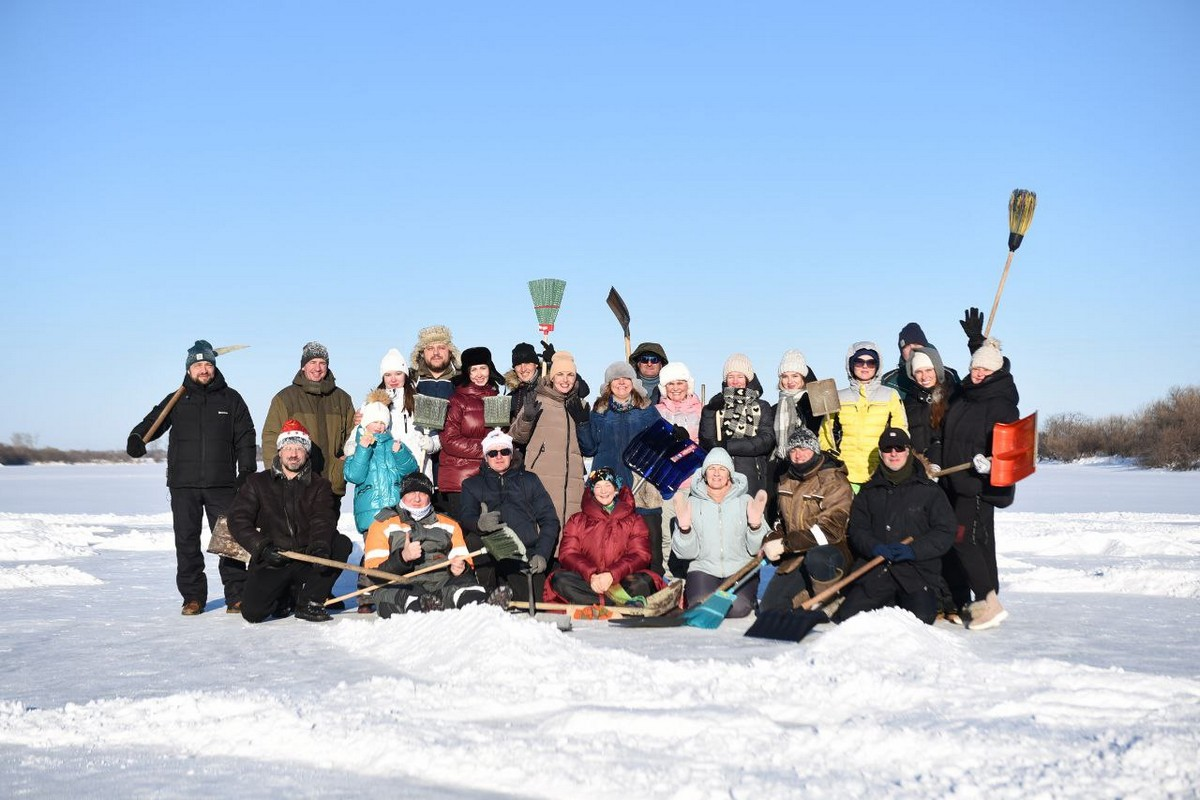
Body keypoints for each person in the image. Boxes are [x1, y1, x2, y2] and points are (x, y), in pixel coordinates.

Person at [126, 340, 258, 615]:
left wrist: (246, 471)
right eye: (198, 365)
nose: (204, 369)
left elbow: (246, 437)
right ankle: (193, 597)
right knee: (186, 541)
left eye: (208, 364)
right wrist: (137, 437)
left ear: (214, 367)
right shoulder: (177, 399)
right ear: (188, 370)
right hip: (183, 484)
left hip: (222, 484)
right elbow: (153, 421)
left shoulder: (231, 399)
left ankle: (236, 595)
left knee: (229, 540)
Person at [227, 419, 354, 623]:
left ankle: (310, 601)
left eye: (299, 448)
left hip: (306, 557)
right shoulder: (257, 482)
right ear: (280, 451)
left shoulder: (320, 485)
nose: (293, 454)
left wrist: (319, 547)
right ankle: (287, 594)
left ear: (307, 453)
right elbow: (238, 520)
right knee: (253, 613)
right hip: (273, 558)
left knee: (341, 543)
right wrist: (262, 548)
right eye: (288, 448)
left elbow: (323, 520)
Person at [831, 427, 956, 626]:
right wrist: (874, 547)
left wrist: (913, 550)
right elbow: (857, 530)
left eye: (899, 448)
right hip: (878, 569)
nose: (893, 454)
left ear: (908, 451)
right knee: (848, 618)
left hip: (916, 572)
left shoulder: (930, 491)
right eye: (888, 449)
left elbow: (945, 531)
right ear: (881, 454)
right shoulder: (869, 491)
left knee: (920, 620)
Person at [941, 331, 1020, 630]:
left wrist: (991, 465)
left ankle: (990, 602)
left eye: (985, 369)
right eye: (975, 367)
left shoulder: (1002, 403)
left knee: (962, 539)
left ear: (996, 371)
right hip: (956, 481)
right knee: (981, 541)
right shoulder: (966, 396)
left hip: (976, 485)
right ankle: (988, 598)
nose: (978, 373)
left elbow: (1012, 448)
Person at [578, 361, 665, 570]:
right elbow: (589, 448)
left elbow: (661, 442)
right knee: (611, 539)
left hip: (640, 482)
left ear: (633, 382)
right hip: (608, 482)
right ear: (608, 384)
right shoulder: (599, 411)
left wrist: (673, 435)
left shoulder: (646, 409)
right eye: (616, 379)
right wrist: (583, 424)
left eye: (626, 378)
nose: (621, 383)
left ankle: (652, 577)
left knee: (648, 536)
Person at [362, 472, 487, 616]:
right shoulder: (382, 524)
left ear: (430, 496)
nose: (417, 498)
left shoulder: (449, 524)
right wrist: (402, 557)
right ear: (402, 495)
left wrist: (460, 568)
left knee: (466, 584)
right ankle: (420, 608)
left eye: (422, 493)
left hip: (441, 584)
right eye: (411, 493)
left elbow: (465, 562)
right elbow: (374, 573)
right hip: (400, 585)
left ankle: (480, 603)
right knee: (402, 596)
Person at [759, 428, 854, 614]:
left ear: (815, 450)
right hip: (798, 553)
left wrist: (785, 544)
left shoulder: (834, 481)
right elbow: (782, 521)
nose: (798, 455)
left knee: (817, 557)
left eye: (804, 449)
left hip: (832, 553)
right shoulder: (786, 480)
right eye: (793, 450)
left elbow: (830, 531)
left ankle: (830, 600)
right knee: (769, 608)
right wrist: (772, 538)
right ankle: (808, 599)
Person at [342, 390, 420, 614]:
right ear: (365, 423)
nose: (378, 426)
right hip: (370, 510)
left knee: (396, 550)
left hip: (394, 509)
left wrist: (400, 452)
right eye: (373, 422)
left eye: (381, 422)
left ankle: (395, 592)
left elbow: (411, 470)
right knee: (373, 552)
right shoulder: (357, 446)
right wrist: (363, 449)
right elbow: (353, 475)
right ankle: (365, 595)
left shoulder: (393, 443)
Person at [459, 429, 561, 599]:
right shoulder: (472, 485)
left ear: (511, 454)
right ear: (486, 457)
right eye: (493, 453)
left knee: (534, 600)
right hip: (490, 552)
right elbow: (465, 517)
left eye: (504, 451)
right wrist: (479, 523)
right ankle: (486, 594)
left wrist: (542, 553)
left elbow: (549, 520)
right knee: (473, 539)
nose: (499, 457)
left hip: (523, 553)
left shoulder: (529, 480)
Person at [671, 448, 769, 618]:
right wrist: (685, 529)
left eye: (722, 469)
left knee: (737, 608)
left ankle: (747, 596)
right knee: (702, 607)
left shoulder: (746, 501)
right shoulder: (691, 504)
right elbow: (686, 554)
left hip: (740, 568)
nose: (717, 473)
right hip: (703, 568)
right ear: (704, 474)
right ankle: (695, 593)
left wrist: (755, 526)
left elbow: (756, 550)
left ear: (730, 474)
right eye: (712, 469)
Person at [544, 467, 665, 605]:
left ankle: (599, 602)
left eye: (608, 485)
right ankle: (615, 603)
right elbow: (568, 553)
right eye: (598, 486)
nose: (603, 491)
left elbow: (641, 554)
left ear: (616, 489)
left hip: (621, 581)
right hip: (588, 582)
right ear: (592, 490)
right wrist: (591, 575)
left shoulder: (634, 520)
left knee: (645, 581)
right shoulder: (577, 520)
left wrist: (612, 575)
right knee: (559, 579)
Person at [261, 341, 356, 509]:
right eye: (312, 362)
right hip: (295, 484)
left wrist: (346, 458)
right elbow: (270, 437)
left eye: (322, 363)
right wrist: (276, 474)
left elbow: (353, 434)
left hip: (331, 484)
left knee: (327, 525)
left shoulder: (342, 399)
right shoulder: (285, 398)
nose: (317, 368)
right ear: (303, 366)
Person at [506, 350, 590, 532]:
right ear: (552, 377)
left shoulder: (580, 405)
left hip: (572, 483)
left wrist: (583, 424)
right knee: (543, 532)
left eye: (570, 375)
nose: (565, 380)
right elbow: (516, 437)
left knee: (570, 535)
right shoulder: (537, 400)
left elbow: (589, 448)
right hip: (542, 478)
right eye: (560, 374)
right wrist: (527, 418)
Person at [819, 341, 908, 490]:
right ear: (851, 365)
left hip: (878, 472)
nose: (865, 366)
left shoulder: (890, 395)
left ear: (877, 366)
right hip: (845, 473)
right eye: (859, 362)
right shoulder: (837, 396)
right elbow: (825, 432)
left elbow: (901, 430)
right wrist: (830, 457)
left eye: (871, 362)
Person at [699, 354, 776, 498]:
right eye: (731, 377)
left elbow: (766, 440)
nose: (735, 381)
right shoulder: (716, 405)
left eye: (740, 376)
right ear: (725, 380)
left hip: (751, 473)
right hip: (721, 474)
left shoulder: (762, 406)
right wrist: (709, 411)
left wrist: (727, 445)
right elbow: (706, 440)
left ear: (748, 379)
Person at [438, 346, 503, 518]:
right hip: (461, 481)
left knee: (490, 529)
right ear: (467, 373)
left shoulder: (497, 399)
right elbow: (449, 440)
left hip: (489, 478)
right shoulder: (457, 400)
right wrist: (487, 448)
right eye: (474, 370)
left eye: (483, 368)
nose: (479, 374)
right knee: (466, 530)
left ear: (490, 369)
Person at [655, 361, 703, 576]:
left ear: (688, 384)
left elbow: (705, 443)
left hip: (693, 481)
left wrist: (688, 444)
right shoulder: (656, 411)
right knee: (667, 533)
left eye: (680, 383)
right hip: (668, 482)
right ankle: (670, 576)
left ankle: (694, 576)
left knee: (693, 532)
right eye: (670, 384)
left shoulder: (700, 410)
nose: (675, 388)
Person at [408, 325, 462, 502]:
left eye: (441, 347)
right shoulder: (409, 380)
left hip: (454, 469)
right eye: (430, 348)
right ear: (422, 353)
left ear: (450, 351)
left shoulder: (462, 380)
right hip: (419, 465)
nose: (436, 353)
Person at [882, 322, 961, 401]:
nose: (912, 348)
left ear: (925, 346)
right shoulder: (889, 381)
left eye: (916, 344)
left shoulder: (949, 375)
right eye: (906, 346)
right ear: (901, 352)